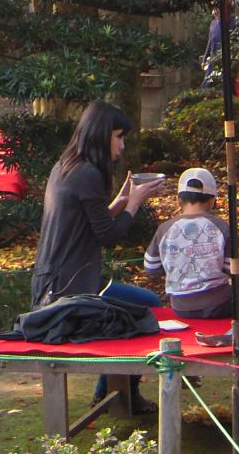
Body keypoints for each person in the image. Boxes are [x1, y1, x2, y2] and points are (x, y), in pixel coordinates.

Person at [33, 101, 167, 414]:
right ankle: (112, 394)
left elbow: (91, 225)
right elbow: (107, 236)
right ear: (102, 134)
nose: (122, 145)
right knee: (144, 309)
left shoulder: (67, 166)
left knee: (143, 304)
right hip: (66, 296)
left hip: (60, 283)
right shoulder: (88, 173)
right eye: (119, 136)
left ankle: (113, 394)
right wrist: (134, 203)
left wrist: (121, 200)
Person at [141, 167, 233, 319]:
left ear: (179, 200)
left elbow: (151, 268)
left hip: (180, 306)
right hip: (218, 304)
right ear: (212, 200)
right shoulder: (221, 227)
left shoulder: (165, 229)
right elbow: (231, 267)